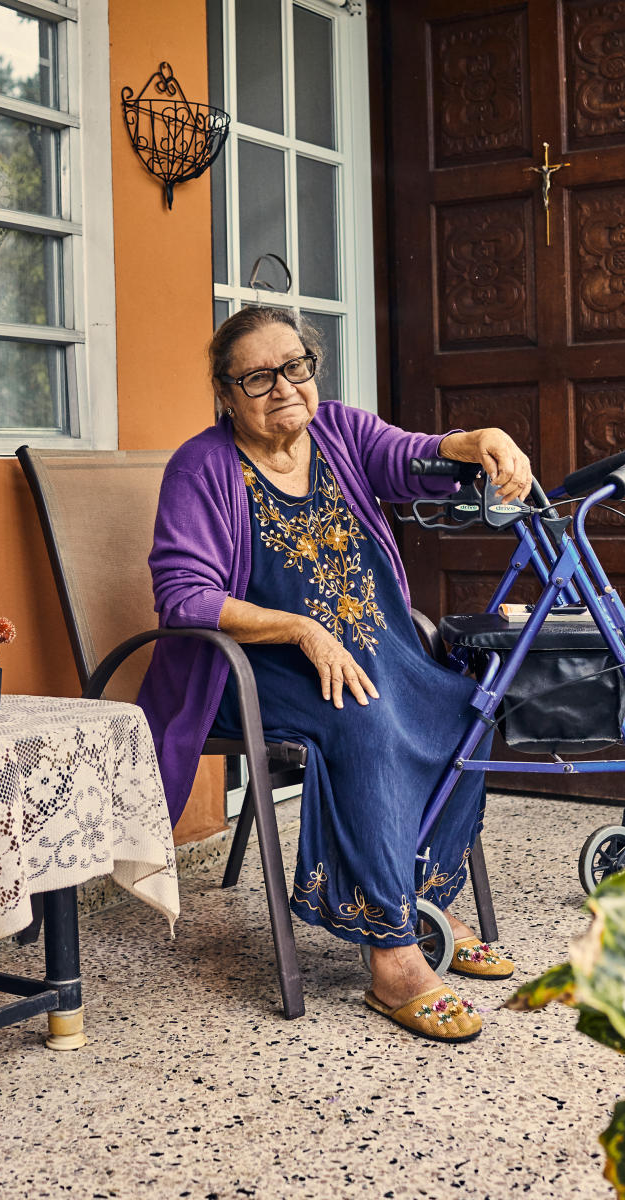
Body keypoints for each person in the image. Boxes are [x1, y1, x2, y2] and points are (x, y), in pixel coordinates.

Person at [138, 308, 532, 1044]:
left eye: (295, 367)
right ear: (226, 393)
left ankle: (426, 908)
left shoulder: (343, 433)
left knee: (465, 703)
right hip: (252, 671)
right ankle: (393, 955)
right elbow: (183, 596)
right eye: (257, 376)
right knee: (365, 720)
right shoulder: (202, 466)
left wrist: (484, 441)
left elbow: (418, 453)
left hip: (372, 649)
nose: (282, 387)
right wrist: (300, 628)